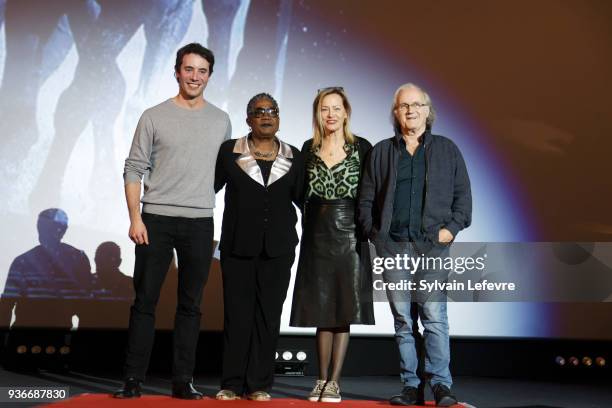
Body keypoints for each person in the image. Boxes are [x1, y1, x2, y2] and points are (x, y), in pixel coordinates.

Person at [113, 43, 231, 399]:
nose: (195, 76)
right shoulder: (153, 115)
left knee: (190, 306)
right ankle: (133, 380)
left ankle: (183, 381)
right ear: (177, 71)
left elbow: (221, 172)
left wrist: (198, 195)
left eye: (202, 71)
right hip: (156, 220)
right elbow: (133, 167)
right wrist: (136, 218)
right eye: (189, 69)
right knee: (145, 302)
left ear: (209, 75)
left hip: (199, 224)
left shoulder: (221, 120)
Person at [358, 83, 471, 406]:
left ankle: (440, 386)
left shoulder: (447, 149)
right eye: (403, 106)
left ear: (427, 110)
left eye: (416, 104)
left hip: (432, 249)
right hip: (394, 248)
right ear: (396, 113)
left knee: (434, 317)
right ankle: (411, 386)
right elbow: (366, 198)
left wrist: (451, 229)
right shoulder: (381, 151)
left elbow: (463, 198)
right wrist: (375, 235)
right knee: (404, 321)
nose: (410, 110)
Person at [214, 93, 303, 401]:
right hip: (237, 247)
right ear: (248, 118)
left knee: (268, 316)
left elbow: (305, 200)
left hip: (279, 250)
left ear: (278, 117)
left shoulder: (294, 155)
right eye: (259, 111)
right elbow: (206, 186)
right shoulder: (230, 151)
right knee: (237, 316)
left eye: (272, 111)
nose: (267, 116)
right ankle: (231, 383)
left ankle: (259, 385)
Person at [290, 87, 375, 403]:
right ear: (318, 113)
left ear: (346, 112)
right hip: (316, 235)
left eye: (336, 108)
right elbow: (298, 193)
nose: (331, 114)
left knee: (342, 310)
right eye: (325, 109)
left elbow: (370, 193)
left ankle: (334, 382)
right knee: (320, 308)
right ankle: (319, 378)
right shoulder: (307, 149)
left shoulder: (362, 148)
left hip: (350, 236)